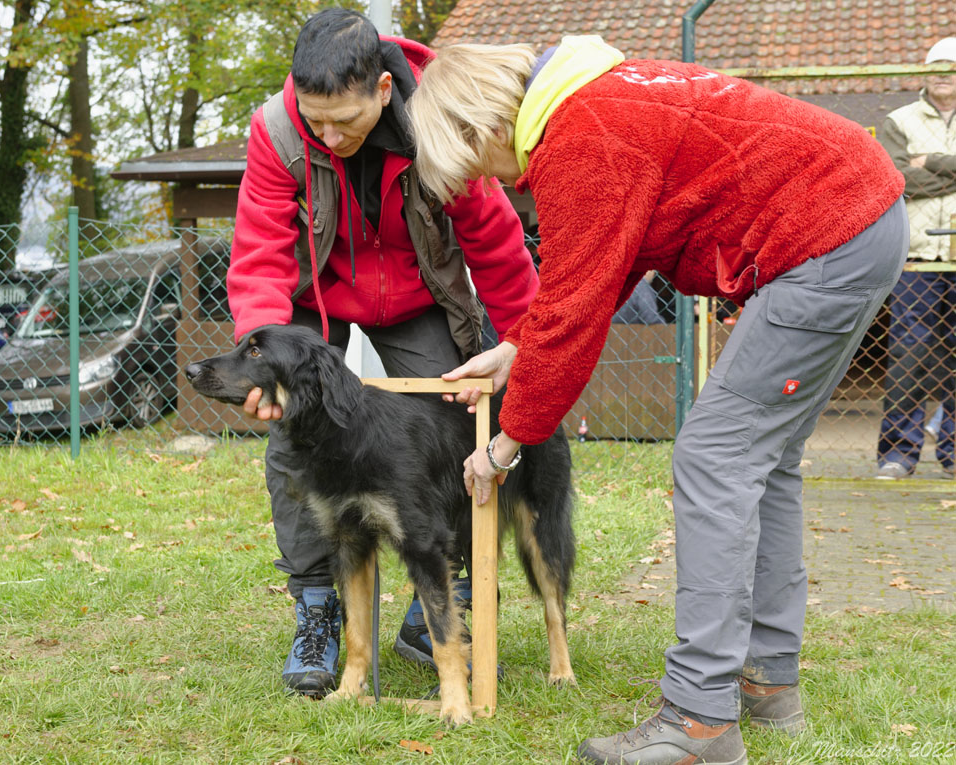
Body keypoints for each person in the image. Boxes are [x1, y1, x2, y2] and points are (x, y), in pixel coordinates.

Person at [407, 37, 907, 764]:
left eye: (480, 167)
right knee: (764, 460)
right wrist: (515, 346)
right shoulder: (600, 98)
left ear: (478, 125)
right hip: (856, 216)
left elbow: (578, 311)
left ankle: (698, 718)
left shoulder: (582, 136)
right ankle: (766, 681)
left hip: (826, 233)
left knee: (714, 455)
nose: (496, 180)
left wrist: (501, 448)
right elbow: (601, 269)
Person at [226, 9, 539, 698]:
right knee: (294, 436)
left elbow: (494, 240)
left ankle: (435, 608)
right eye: (318, 122)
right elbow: (259, 254)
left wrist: (526, 344)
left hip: (419, 297)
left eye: (346, 120)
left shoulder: (441, 118)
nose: (330, 137)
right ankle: (317, 608)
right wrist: (264, 356)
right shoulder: (276, 131)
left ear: (383, 89)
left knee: (449, 427)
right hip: (312, 302)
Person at [875, 36, 956, 481]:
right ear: (924, 72)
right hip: (918, 256)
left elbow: (919, 172)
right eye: (936, 64)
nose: (943, 72)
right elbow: (897, 179)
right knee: (909, 354)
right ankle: (898, 454)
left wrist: (936, 161)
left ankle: (954, 454)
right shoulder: (899, 119)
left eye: (951, 65)